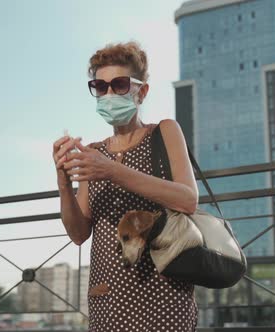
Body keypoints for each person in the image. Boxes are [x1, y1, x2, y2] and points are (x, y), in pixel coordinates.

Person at [51, 41, 199, 331]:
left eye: (119, 85)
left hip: (165, 294)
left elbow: (188, 199)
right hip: (107, 299)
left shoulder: (164, 132)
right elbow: (79, 234)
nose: (108, 94)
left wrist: (113, 171)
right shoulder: (93, 154)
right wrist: (63, 181)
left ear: (141, 91)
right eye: (100, 86)